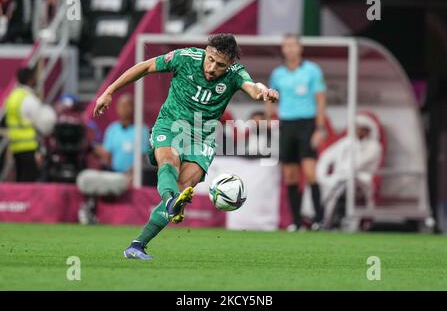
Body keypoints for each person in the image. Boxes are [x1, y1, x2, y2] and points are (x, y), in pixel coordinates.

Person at [93, 33, 279, 260]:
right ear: (206, 51)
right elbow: (145, 66)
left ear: (230, 63)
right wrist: (109, 91)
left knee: (183, 187)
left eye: (220, 64)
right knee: (169, 162)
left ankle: (138, 245)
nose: (211, 68)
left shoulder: (235, 73)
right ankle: (170, 200)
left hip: (203, 136)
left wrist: (264, 92)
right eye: (210, 59)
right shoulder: (186, 57)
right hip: (170, 125)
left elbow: (252, 86)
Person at [266, 34, 328, 231]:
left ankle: (319, 219)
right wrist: (270, 116)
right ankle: (297, 221)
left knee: (310, 173)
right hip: (287, 125)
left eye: (293, 45)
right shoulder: (278, 74)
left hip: (307, 124)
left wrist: (319, 128)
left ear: (300, 48)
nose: (290, 49)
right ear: (283, 50)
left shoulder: (312, 71)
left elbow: (320, 99)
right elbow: (271, 97)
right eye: (286, 46)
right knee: (290, 176)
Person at [77, 93, 149, 224]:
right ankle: (90, 212)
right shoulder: (112, 129)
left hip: (133, 175)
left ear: (134, 108)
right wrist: (93, 147)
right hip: (113, 173)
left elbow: (143, 157)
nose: (123, 109)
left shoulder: (142, 130)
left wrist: (132, 173)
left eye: (127, 106)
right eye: (120, 106)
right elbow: (106, 155)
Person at [316, 113, 382, 229]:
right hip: (339, 179)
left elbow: (358, 164)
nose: (359, 131)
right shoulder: (345, 143)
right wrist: (323, 177)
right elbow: (326, 158)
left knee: (345, 188)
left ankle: (359, 222)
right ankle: (327, 221)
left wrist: (343, 174)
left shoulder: (374, 146)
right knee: (334, 192)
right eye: (358, 128)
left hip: (361, 180)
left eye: (362, 129)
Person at [4, 66, 57, 182]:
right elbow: (43, 123)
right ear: (30, 79)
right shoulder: (28, 99)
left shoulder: (13, 97)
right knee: (29, 180)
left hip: (16, 145)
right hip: (30, 146)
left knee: (20, 180)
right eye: (34, 77)